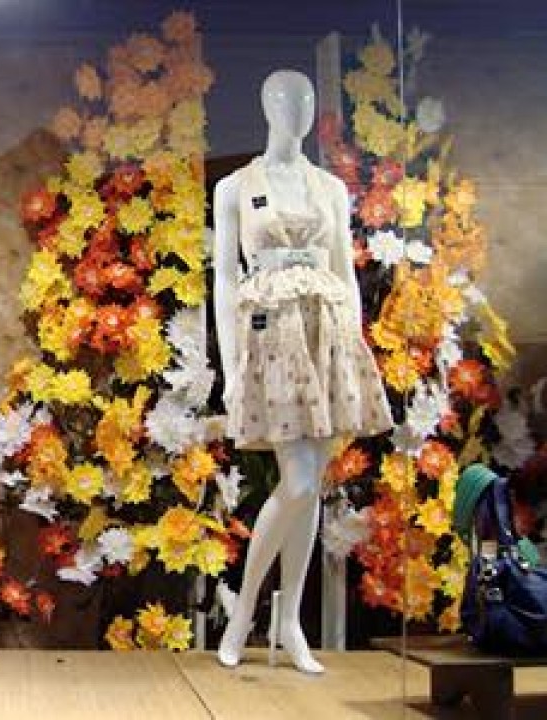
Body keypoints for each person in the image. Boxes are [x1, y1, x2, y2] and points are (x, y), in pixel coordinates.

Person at [212, 70, 393, 674]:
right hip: (271, 337)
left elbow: (343, 270)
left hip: (326, 334)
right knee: (297, 479)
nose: (297, 109)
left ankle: (287, 622)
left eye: (307, 100)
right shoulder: (237, 187)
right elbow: (225, 277)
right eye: (285, 99)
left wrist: (354, 347)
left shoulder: (330, 189)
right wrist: (231, 363)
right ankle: (245, 613)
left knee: (311, 481)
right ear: (265, 106)